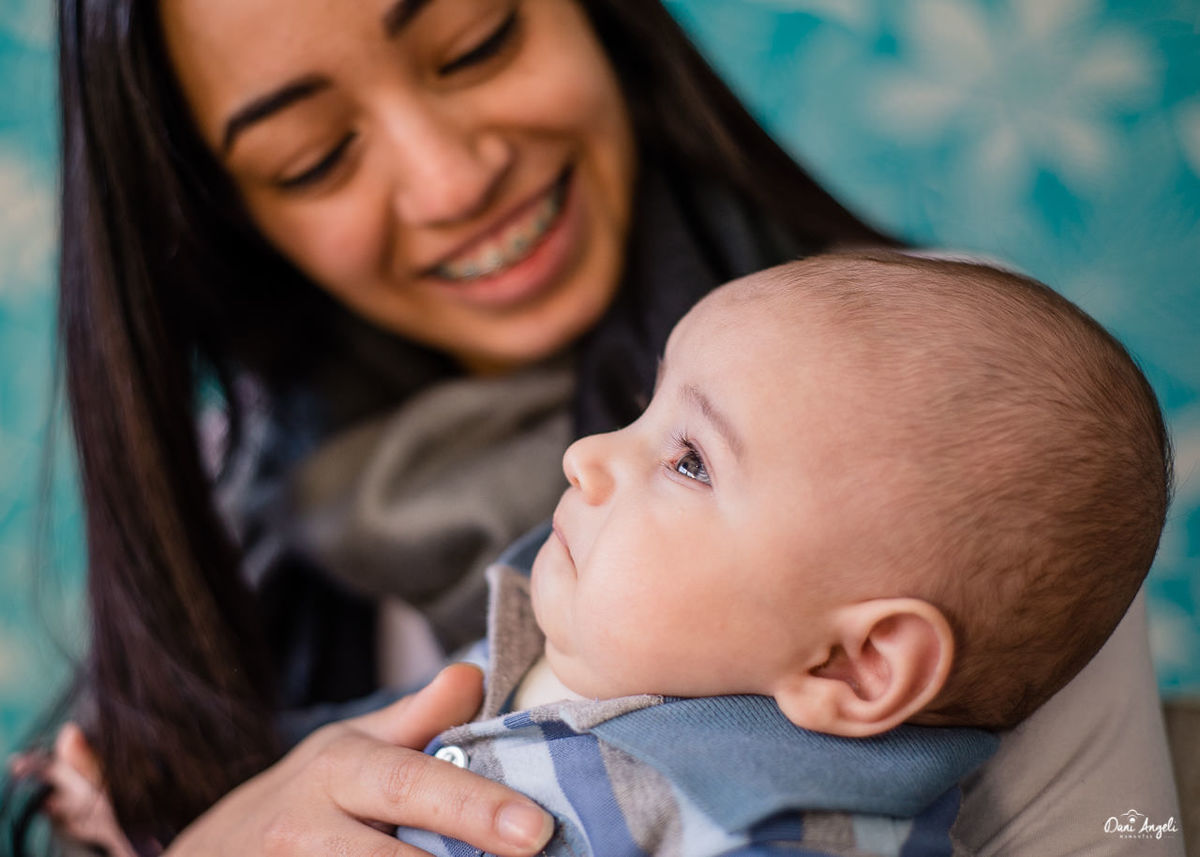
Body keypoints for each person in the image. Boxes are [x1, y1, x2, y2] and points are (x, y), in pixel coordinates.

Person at [6, 0, 1181, 855]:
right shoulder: (240, 528)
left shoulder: (937, 422)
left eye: (476, 42)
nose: (452, 180)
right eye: (314, 158)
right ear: (231, 216)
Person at [387, 252, 1171, 856]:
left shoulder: (776, 827)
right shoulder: (558, 620)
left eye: (690, 461)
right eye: (644, 407)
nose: (587, 453)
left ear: (857, 663)